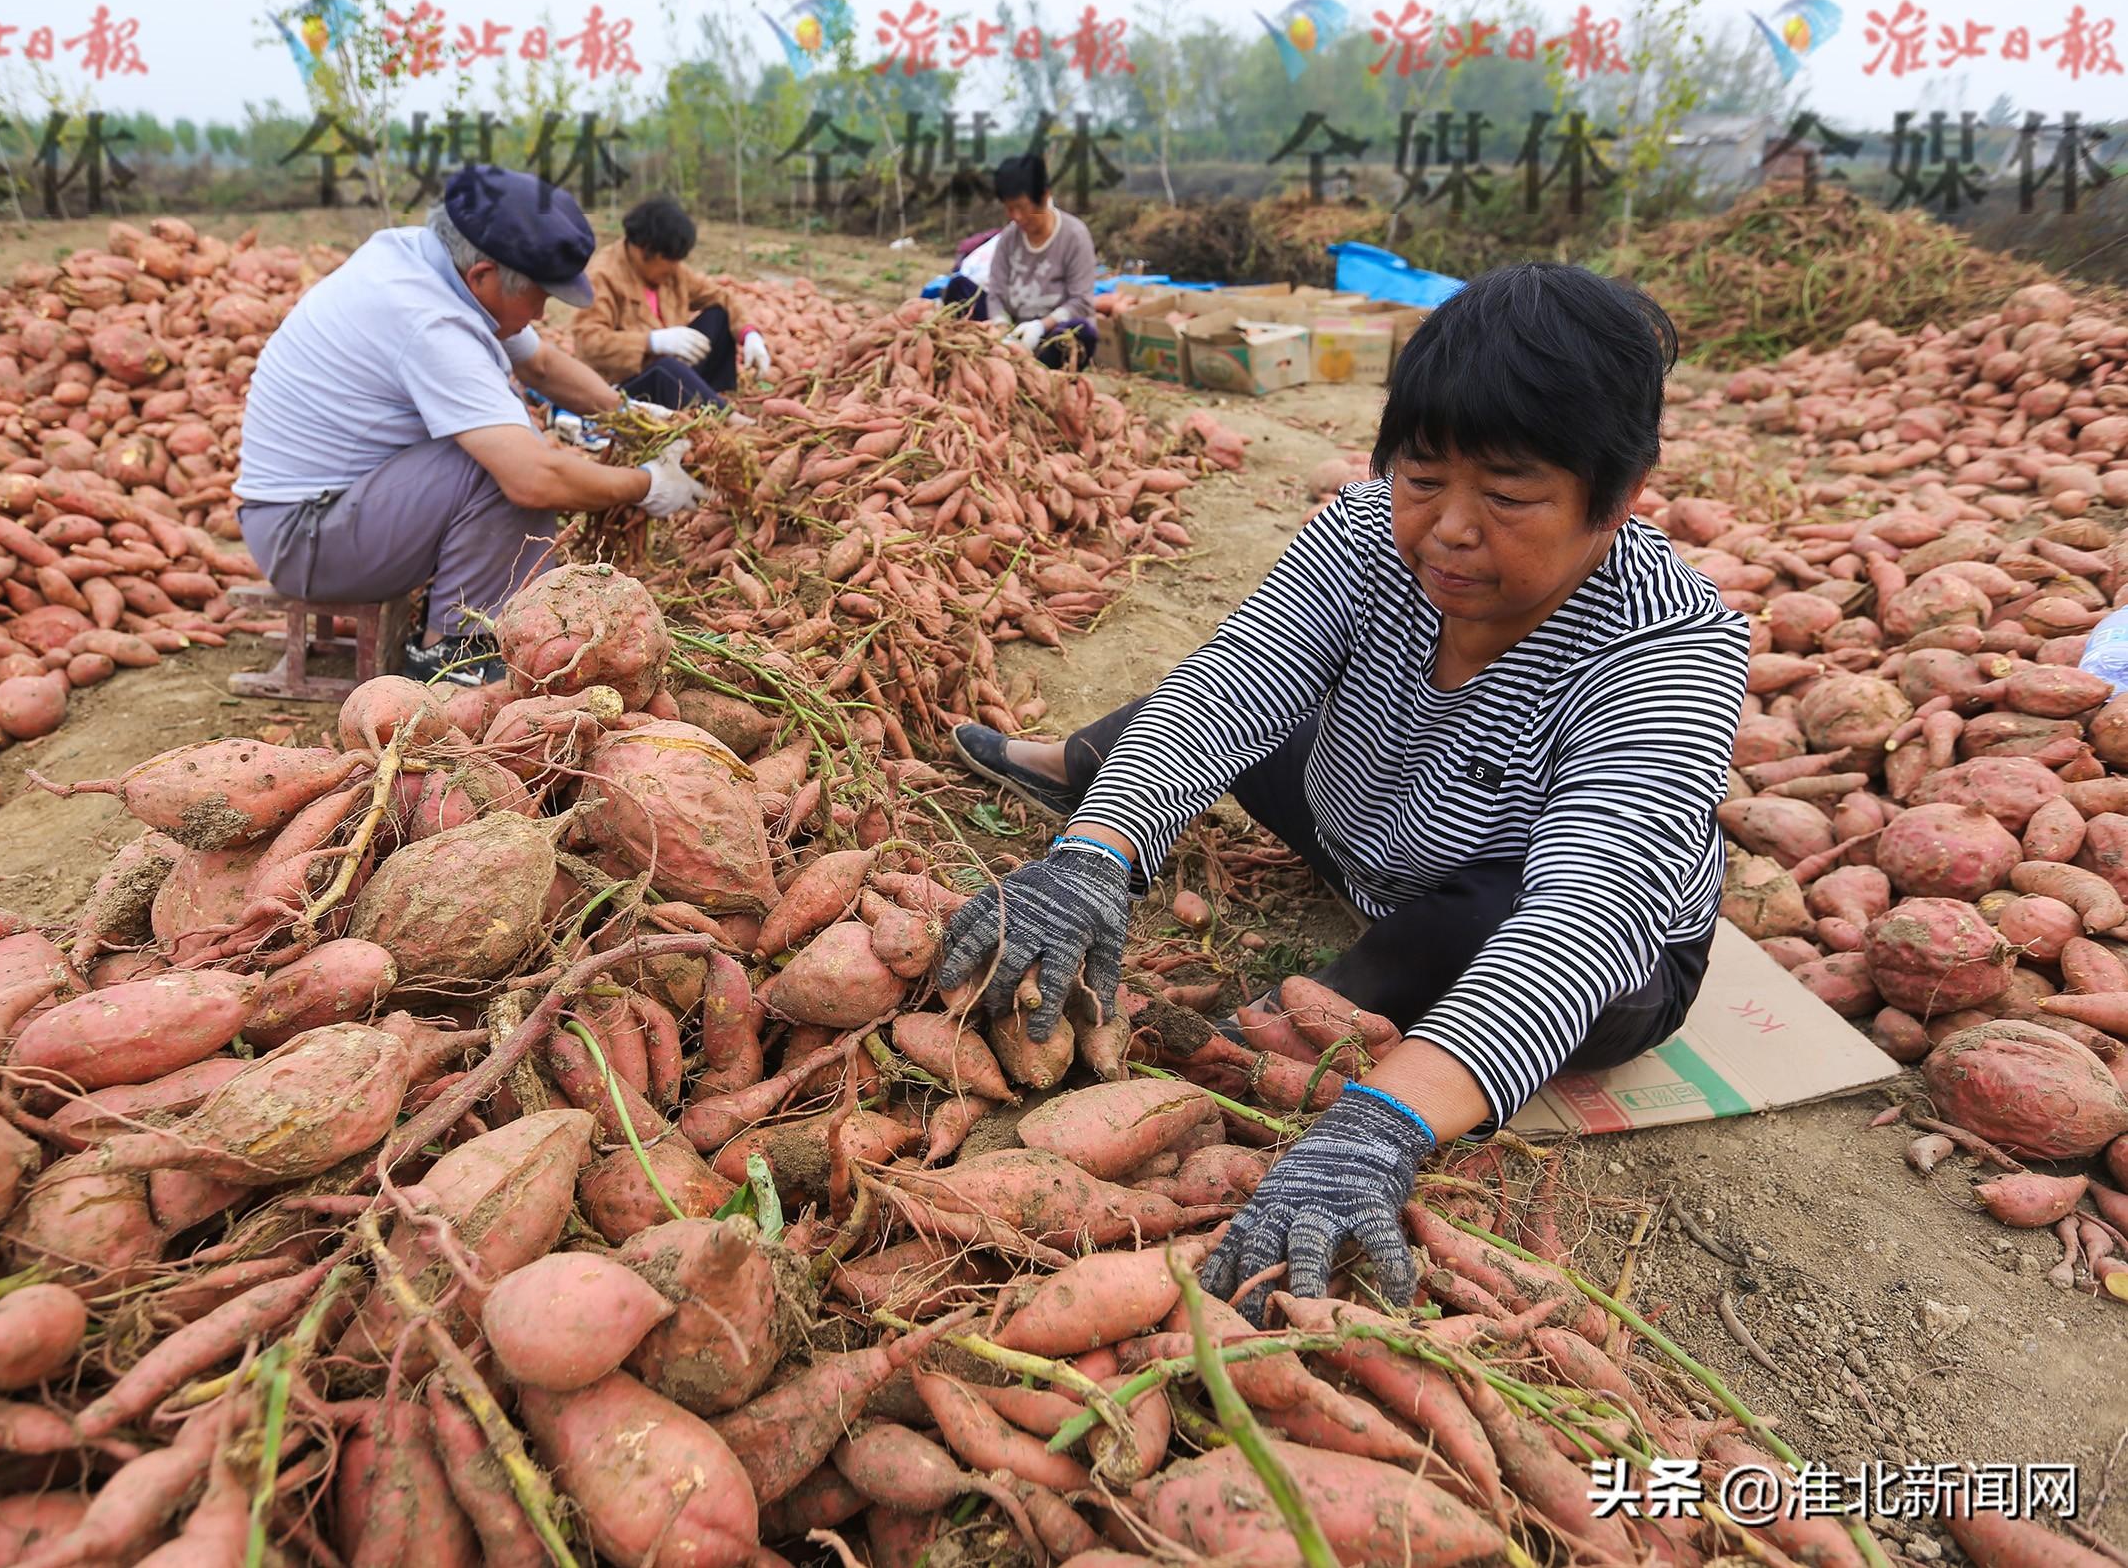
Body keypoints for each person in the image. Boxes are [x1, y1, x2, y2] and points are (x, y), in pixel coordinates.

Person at [936, 262, 1750, 1315]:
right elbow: (1234, 686)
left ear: (1619, 497)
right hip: (1366, 817)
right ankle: (1077, 789)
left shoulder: (1668, 648)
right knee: (1215, 714)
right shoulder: (1368, 535)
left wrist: (1384, 1125)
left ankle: (1291, 1039)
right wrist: (1092, 861)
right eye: (1423, 479)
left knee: (1459, 933)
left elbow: (1581, 921)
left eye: (1505, 497)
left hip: (1550, 925)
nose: (1449, 530)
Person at [233, 165, 707, 686]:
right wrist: (647, 485)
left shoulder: (429, 260)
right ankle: (455, 652)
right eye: (540, 296)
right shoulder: (429, 321)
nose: (544, 311)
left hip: (328, 511)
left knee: (505, 442)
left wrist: (628, 415)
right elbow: (533, 478)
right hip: (307, 540)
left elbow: (543, 366)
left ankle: (465, 621)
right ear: (484, 274)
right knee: (499, 465)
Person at [573, 195, 771, 410]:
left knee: (719, 315)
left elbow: (722, 296)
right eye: (668, 262)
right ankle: (724, 414)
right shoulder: (603, 276)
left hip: (676, 372)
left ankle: (713, 393)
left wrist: (749, 334)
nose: (673, 270)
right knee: (665, 367)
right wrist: (651, 342)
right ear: (644, 250)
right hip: (630, 385)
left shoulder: (672, 273)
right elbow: (588, 341)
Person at [939, 155, 1099, 369]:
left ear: (1044, 196)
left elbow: (1081, 301)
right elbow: (995, 294)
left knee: (1081, 332)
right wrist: (1002, 328)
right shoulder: (1008, 239)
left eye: (1022, 207)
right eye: (1009, 208)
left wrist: (1040, 327)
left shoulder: (1074, 236)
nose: (1016, 216)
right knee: (959, 287)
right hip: (1009, 334)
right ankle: (1000, 360)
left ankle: (1035, 370)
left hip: (1049, 335)